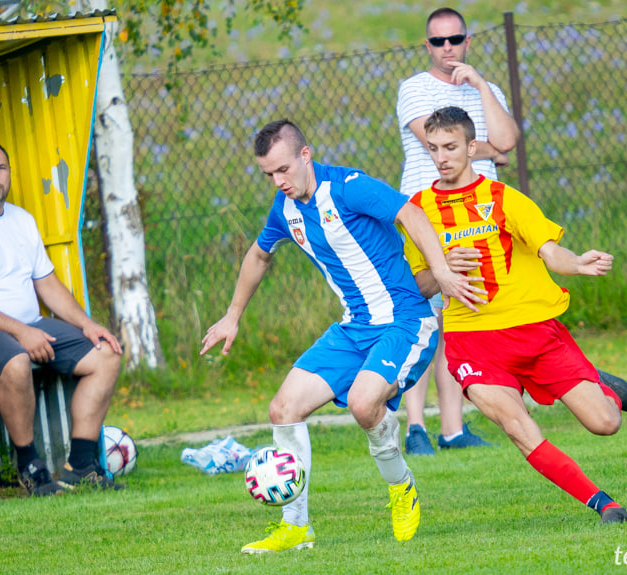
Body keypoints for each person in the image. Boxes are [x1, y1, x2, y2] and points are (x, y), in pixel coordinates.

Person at [200, 119, 485, 553]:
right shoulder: (286, 210)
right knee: (283, 408)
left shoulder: (349, 187)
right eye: (268, 175)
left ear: (305, 155)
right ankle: (296, 528)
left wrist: (442, 271)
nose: (278, 182)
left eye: (283, 170)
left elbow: (410, 213)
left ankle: (401, 484)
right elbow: (259, 256)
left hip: (405, 320)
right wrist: (232, 316)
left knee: (362, 404)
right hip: (355, 327)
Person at [402, 107, 627, 524]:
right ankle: (606, 506)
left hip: (533, 330)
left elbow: (550, 251)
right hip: (472, 340)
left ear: (472, 148)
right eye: (433, 148)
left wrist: (578, 263)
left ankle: (604, 387)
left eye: (451, 147)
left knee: (605, 423)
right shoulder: (418, 211)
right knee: (516, 425)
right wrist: (442, 270)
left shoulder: (504, 198)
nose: (442, 157)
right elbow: (414, 287)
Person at [0, 142, 124, 496]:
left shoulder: (22, 220)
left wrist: (87, 324)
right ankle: (30, 467)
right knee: (16, 360)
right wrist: (22, 332)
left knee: (106, 353)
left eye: (0, 168)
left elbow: (47, 283)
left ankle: (80, 465)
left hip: (24, 325)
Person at [396, 7, 520, 455]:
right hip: (427, 210)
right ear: (426, 46)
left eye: (455, 39)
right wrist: (486, 151)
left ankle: (452, 429)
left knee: (457, 319)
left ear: (468, 41)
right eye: (438, 42)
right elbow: (435, 141)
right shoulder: (414, 89)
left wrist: (482, 87)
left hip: (477, 213)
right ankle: (415, 427)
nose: (447, 49)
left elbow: (507, 141)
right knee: (425, 314)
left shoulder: (487, 90)